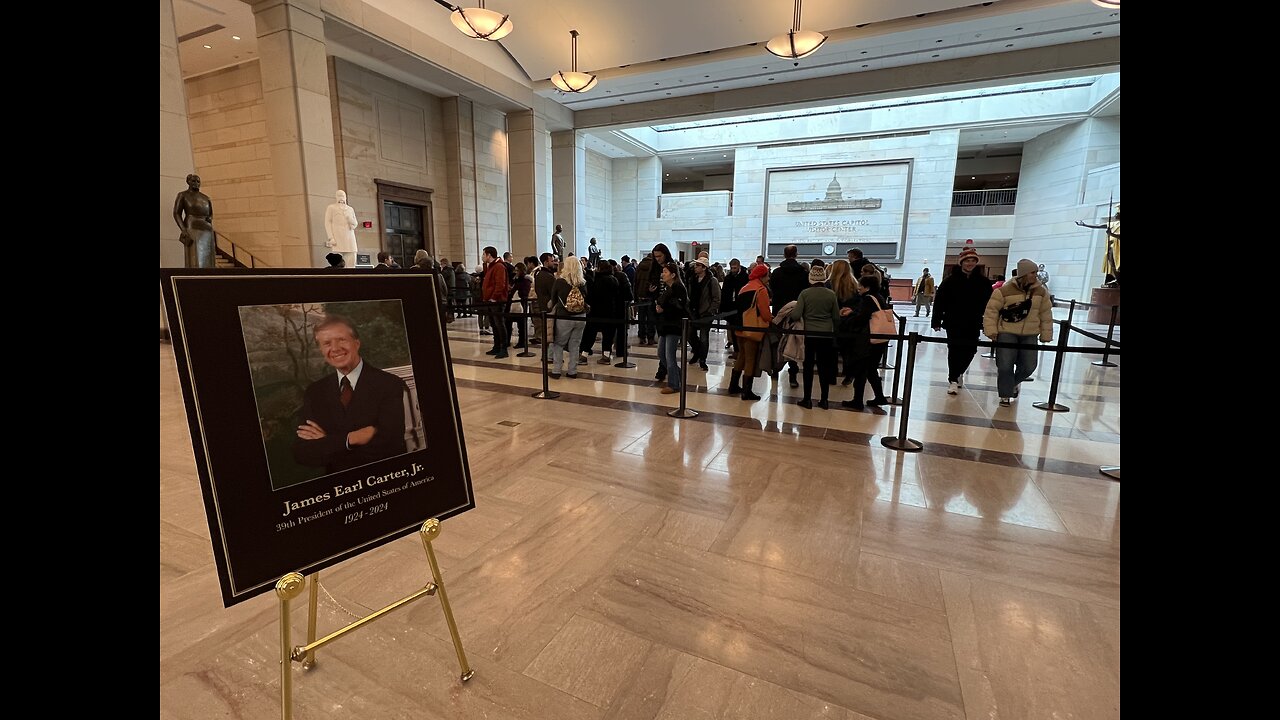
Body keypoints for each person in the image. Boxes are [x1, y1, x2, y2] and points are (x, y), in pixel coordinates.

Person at [293, 315, 410, 474]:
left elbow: (389, 447)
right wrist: (350, 439)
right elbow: (302, 453)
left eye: (341, 339)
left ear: (357, 343)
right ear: (321, 350)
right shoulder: (315, 392)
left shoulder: (389, 384)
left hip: (384, 481)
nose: (335, 348)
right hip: (340, 489)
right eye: (327, 343)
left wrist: (327, 442)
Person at [984, 258, 1054, 406]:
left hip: (1030, 333)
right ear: (1024, 274)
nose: (1035, 275)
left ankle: (1012, 383)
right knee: (1004, 364)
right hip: (1007, 331)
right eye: (1032, 272)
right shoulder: (1003, 290)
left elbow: (1046, 314)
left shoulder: (1041, 292)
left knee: (1029, 365)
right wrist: (991, 330)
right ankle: (1005, 394)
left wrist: (1046, 333)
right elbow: (992, 311)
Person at [931, 241, 991, 395]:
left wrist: (988, 322)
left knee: (970, 350)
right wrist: (936, 320)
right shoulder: (950, 281)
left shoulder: (983, 282)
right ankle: (953, 379)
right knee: (955, 350)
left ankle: (958, 373)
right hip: (954, 321)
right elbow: (940, 301)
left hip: (973, 321)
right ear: (962, 262)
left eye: (973, 261)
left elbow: (990, 304)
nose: (970, 263)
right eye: (967, 261)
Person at [792, 264, 839, 409]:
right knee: (824, 367)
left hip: (808, 335)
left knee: (808, 367)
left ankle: (807, 399)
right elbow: (836, 317)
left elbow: (796, 315)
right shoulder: (831, 294)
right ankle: (824, 399)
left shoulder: (805, 294)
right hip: (826, 335)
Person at [729, 264, 773, 400]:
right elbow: (765, 312)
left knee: (741, 355)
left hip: (740, 328)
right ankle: (746, 391)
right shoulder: (761, 290)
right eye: (767, 275)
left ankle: (733, 385)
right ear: (762, 276)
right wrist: (771, 320)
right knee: (750, 359)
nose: (768, 278)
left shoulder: (744, 287)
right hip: (752, 328)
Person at [770, 244, 810, 388]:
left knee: (777, 341)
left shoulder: (777, 273)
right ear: (796, 254)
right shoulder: (803, 273)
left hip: (779, 310)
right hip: (796, 311)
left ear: (784, 255)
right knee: (793, 340)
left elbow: (772, 290)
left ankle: (775, 369)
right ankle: (793, 375)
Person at [549, 254, 589, 379]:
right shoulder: (583, 282)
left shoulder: (560, 281)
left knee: (559, 343)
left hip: (564, 316)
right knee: (575, 344)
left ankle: (556, 370)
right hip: (581, 316)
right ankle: (572, 371)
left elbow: (553, 299)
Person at [654, 261, 689, 395]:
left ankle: (674, 384)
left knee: (669, 356)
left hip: (674, 325)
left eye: (665, 272)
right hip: (665, 325)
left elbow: (679, 306)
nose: (663, 274)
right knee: (661, 353)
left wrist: (663, 308)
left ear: (673, 274)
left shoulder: (678, 287)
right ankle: (678, 374)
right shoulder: (667, 287)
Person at [173, 173, 215, 269]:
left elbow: (210, 213)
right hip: (192, 227)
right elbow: (176, 213)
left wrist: (209, 218)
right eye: (193, 181)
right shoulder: (183, 195)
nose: (196, 183)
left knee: (209, 258)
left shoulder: (206, 197)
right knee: (195, 258)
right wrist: (183, 229)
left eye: (198, 181)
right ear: (188, 182)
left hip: (207, 229)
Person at [1076, 203, 1120, 286]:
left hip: (1119, 248)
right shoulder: (1113, 224)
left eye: (1117, 213)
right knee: (1112, 265)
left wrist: (1111, 234)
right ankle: (1118, 280)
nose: (1115, 215)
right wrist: (1085, 225)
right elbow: (1099, 226)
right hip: (1111, 247)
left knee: (1118, 265)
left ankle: (1118, 281)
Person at [481, 246, 511, 359]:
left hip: (497, 301)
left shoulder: (499, 266)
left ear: (489, 255)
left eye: (484, 254)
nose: (482, 256)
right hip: (490, 300)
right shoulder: (491, 266)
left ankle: (504, 348)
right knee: (494, 324)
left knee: (499, 324)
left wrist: (494, 297)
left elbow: (500, 284)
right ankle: (497, 346)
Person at [324, 190, 359, 268]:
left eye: (343, 195)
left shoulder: (350, 209)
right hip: (337, 237)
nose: (341, 197)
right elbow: (327, 223)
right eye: (339, 195)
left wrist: (350, 219)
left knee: (351, 260)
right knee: (337, 261)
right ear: (336, 197)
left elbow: (355, 223)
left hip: (349, 238)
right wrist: (331, 237)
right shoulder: (331, 208)